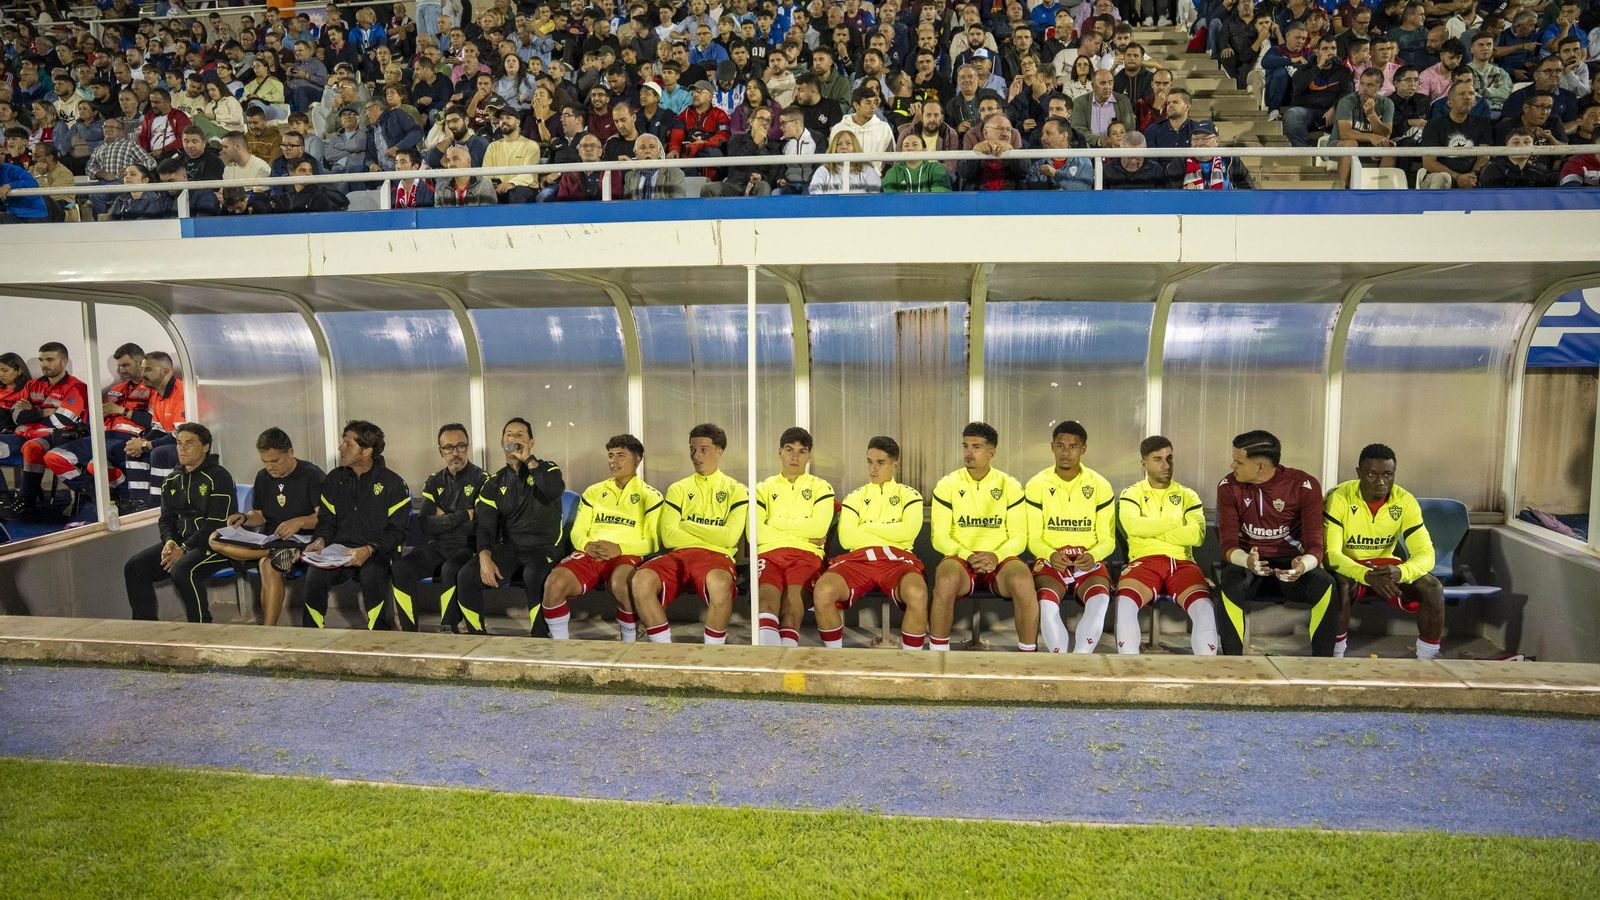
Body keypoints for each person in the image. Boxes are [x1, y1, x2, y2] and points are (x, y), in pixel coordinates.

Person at [1214, 430, 1335, 657]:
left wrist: (1303, 566)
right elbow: (1227, 543)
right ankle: (1233, 662)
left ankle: (1323, 664)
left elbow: (1315, 543)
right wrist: (1247, 561)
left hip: (1290, 570)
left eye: (1238, 461)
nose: (1232, 465)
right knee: (1229, 582)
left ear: (1260, 466)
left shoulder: (1304, 485)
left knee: (1326, 584)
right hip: (1250, 568)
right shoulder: (1228, 486)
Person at [627, 423, 748, 644]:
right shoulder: (678, 488)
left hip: (717, 556)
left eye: (704, 449)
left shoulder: (737, 489)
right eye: (692, 449)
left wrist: (687, 524)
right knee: (641, 580)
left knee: (720, 583)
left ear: (719, 451)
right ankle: (663, 649)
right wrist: (712, 532)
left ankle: (713, 652)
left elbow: (729, 538)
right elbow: (670, 537)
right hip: (680, 555)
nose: (696, 455)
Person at [1325, 443, 1446, 660]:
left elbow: (1426, 554)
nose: (1381, 482)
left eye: (1388, 475)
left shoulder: (1405, 500)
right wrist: (1365, 575)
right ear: (1359, 473)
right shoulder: (1339, 497)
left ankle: (1428, 660)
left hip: (1385, 567)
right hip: (1350, 565)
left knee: (1433, 587)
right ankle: (1335, 657)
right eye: (1372, 474)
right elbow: (1331, 555)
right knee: (1341, 586)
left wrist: (1401, 572)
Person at [811, 436, 929, 650]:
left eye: (880, 462)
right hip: (858, 559)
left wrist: (866, 527)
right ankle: (835, 661)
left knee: (917, 592)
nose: (873, 468)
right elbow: (847, 539)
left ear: (895, 464)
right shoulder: (854, 497)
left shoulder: (910, 495)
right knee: (823, 590)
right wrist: (889, 530)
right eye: (869, 461)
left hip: (896, 558)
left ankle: (914, 665)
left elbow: (908, 533)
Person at [543, 434, 661, 642]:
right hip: (590, 552)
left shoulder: (650, 496)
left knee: (622, 584)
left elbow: (652, 541)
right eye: (610, 456)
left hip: (625, 555)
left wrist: (619, 549)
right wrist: (587, 544)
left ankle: (629, 642)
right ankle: (559, 649)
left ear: (637, 459)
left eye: (620, 456)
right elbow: (577, 531)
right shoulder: (594, 491)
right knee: (554, 583)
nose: (613, 462)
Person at [929, 421, 1035, 652]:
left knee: (1023, 580)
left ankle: (1028, 657)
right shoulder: (947, 484)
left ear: (991, 452)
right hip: (961, 557)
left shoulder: (1010, 485)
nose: (968, 452)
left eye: (976, 447)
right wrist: (967, 555)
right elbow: (939, 537)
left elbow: (1019, 537)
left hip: (999, 559)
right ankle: (937, 657)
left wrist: (996, 555)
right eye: (965, 446)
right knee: (945, 578)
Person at [453, 418, 565, 635]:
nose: (514, 439)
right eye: (509, 435)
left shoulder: (548, 469)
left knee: (534, 573)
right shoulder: (493, 483)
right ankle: (477, 636)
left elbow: (552, 490)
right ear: (502, 442)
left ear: (531, 442)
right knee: (467, 574)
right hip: (512, 548)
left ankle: (540, 636)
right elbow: (486, 527)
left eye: (520, 435)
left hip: (546, 547)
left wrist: (529, 460)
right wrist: (484, 557)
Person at [206, 427, 325, 627]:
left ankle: (267, 631)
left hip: (303, 541)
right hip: (271, 540)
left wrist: (300, 522)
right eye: (265, 461)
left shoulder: (312, 475)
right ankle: (268, 551)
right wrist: (243, 518)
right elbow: (259, 515)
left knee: (267, 565)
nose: (269, 467)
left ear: (290, 452)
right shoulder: (263, 477)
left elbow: (324, 517)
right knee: (214, 539)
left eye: (275, 461)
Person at [300, 421, 412, 630]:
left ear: (367, 450)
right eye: (342, 442)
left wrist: (369, 549)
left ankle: (380, 634)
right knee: (314, 575)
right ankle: (311, 636)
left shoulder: (393, 484)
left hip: (378, 552)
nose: (341, 448)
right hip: (339, 552)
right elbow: (326, 520)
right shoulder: (335, 479)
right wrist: (321, 540)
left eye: (348, 444)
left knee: (374, 574)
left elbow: (398, 532)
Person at [123, 423, 236, 623]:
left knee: (183, 570)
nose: (182, 448)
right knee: (135, 566)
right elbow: (166, 520)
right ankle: (144, 630)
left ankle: (201, 628)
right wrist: (169, 542)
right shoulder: (171, 480)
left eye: (189, 443)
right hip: (184, 544)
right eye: (179, 443)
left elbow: (216, 524)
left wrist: (183, 548)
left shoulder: (219, 476)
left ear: (205, 446)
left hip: (217, 544)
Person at [1113, 436, 1214, 656]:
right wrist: (1176, 522)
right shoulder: (1132, 493)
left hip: (1182, 563)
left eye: (1169, 458)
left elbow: (1196, 536)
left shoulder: (1188, 495)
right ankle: (1128, 671)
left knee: (1205, 609)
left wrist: (1152, 530)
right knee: (1125, 605)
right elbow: (1133, 527)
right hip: (1144, 562)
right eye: (1157, 459)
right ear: (1144, 464)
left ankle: (1207, 678)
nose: (1165, 465)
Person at [1024, 421, 1116, 654]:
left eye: (1073, 446)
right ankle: (1060, 660)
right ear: (1052, 447)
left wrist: (1094, 554)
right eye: (1060, 445)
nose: (1066, 452)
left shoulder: (1100, 485)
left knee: (1100, 598)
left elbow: (1108, 539)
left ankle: (1081, 658)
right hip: (1052, 559)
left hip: (1088, 559)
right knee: (1046, 601)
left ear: (1083, 449)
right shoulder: (1037, 484)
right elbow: (1032, 537)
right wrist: (1050, 554)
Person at [388, 423, 486, 632]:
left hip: (468, 548)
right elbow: (426, 524)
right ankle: (409, 632)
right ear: (440, 451)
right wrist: (463, 514)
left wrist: (444, 518)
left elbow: (479, 524)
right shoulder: (433, 482)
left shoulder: (482, 480)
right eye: (449, 448)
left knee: (450, 567)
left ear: (467, 447)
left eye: (460, 446)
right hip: (438, 546)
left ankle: (448, 628)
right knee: (400, 568)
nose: (455, 453)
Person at [752, 427, 834, 648]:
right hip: (770, 553)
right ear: (780, 451)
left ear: (810, 456)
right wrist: (803, 532)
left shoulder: (821, 487)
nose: (795, 456)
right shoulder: (763, 488)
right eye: (789, 450)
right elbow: (754, 533)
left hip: (806, 555)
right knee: (767, 601)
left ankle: (786, 660)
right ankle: (770, 662)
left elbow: (818, 528)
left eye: (801, 451)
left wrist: (774, 522)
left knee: (792, 605)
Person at [39, 343, 147, 511]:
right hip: (102, 436)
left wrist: (121, 410)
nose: (121, 370)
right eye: (119, 366)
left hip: (129, 438)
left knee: (94, 466)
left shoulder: (153, 389)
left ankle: (123, 499)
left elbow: (154, 421)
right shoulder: (116, 389)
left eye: (126, 365)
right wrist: (96, 417)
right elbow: (92, 418)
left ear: (141, 363)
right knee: (54, 457)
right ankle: (94, 493)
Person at [0, 342, 88, 520]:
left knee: (32, 447)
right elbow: (17, 416)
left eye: (49, 359)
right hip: (21, 435)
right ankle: (4, 498)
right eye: (41, 360)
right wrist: (42, 412)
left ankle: (26, 501)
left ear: (64, 361)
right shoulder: (32, 385)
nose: (44, 364)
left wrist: (31, 413)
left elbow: (62, 420)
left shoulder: (76, 387)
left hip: (53, 437)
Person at [119, 351, 187, 510]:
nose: (142, 374)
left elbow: (180, 435)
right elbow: (158, 428)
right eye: (142, 369)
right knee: (132, 449)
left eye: (148, 369)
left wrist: (147, 445)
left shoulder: (182, 392)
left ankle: (160, 506)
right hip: (174, 441)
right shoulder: (157, 394)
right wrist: (140, 443)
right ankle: (141, 504)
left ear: (165, 372)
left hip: (190, 444)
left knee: (160, 453)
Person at [1419, 82, 1492, 189]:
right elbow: (1429, 162)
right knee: (1441, 179)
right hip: (1441, 175)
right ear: (1449, 103)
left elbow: (1484, 155)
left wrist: (1472, 175)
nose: (1467, 97)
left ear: (1475, 102)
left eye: (1471, 94)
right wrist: (1457, 177)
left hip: (1472, 176)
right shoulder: (1434, 125)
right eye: (1462, 94)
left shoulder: (1483, 124)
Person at [1168, 120, 1254, 188]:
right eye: (1195, 139)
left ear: (1217, 141)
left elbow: (1247, 189)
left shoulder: (1230, 159)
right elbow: (1172, 195)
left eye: (1205, 138)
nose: (1200, 143)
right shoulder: (1180, 161)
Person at [483, 105, 541, 202]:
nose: (504, 121)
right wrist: (492, 184)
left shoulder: (531, 145)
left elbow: (528, 175)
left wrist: (511, 183)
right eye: (501, 118)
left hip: (523, 187)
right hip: (500, 189)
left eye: (508, 118)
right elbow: (485, 174)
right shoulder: (492, 147)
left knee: (516, 192)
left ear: (518, 122)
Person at [809, 129, 882, 193]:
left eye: (848, 143)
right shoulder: (823, 170)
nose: (844, 147)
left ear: (855, 146)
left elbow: (874, 196)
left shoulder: (868, 170)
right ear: (834, 147)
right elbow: (815, 192)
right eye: (839, 144)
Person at [882, 131, 954, 192]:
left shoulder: (937, 168)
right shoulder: (893, 171)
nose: (910, 148)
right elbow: (890, 200)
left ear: (924, 149)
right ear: (901, 151)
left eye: (915, 144)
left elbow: (939, 198)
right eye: (906, 145)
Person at [433, 143, 497, 205]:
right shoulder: (440, 188)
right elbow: (438, 215)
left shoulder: (485, 187)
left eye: (455, 159)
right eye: (448, 160)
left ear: (468, 162)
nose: (450, 164)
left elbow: (487, 215)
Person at [1103, 131, 1168, 188]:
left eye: (1138, 158)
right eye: (1129, 157)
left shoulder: (1156, 171)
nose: (1133, 162)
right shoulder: (1108, 171)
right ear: (1121, 153)